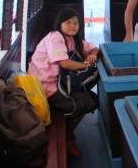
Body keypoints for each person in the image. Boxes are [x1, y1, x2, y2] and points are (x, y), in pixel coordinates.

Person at [28, 8, 99, 157]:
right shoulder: (55, 37)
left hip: (57, 83)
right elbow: (65, 64)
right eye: (68, 23)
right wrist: (87, 65)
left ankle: (68, 128)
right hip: (46, 90)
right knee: (90, 101)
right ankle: (68, 137)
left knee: (86, 93)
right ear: (59, 24)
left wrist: (92, 55)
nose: (72, 26)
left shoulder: (71, 39)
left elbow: (93, 48)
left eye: (75, 23)